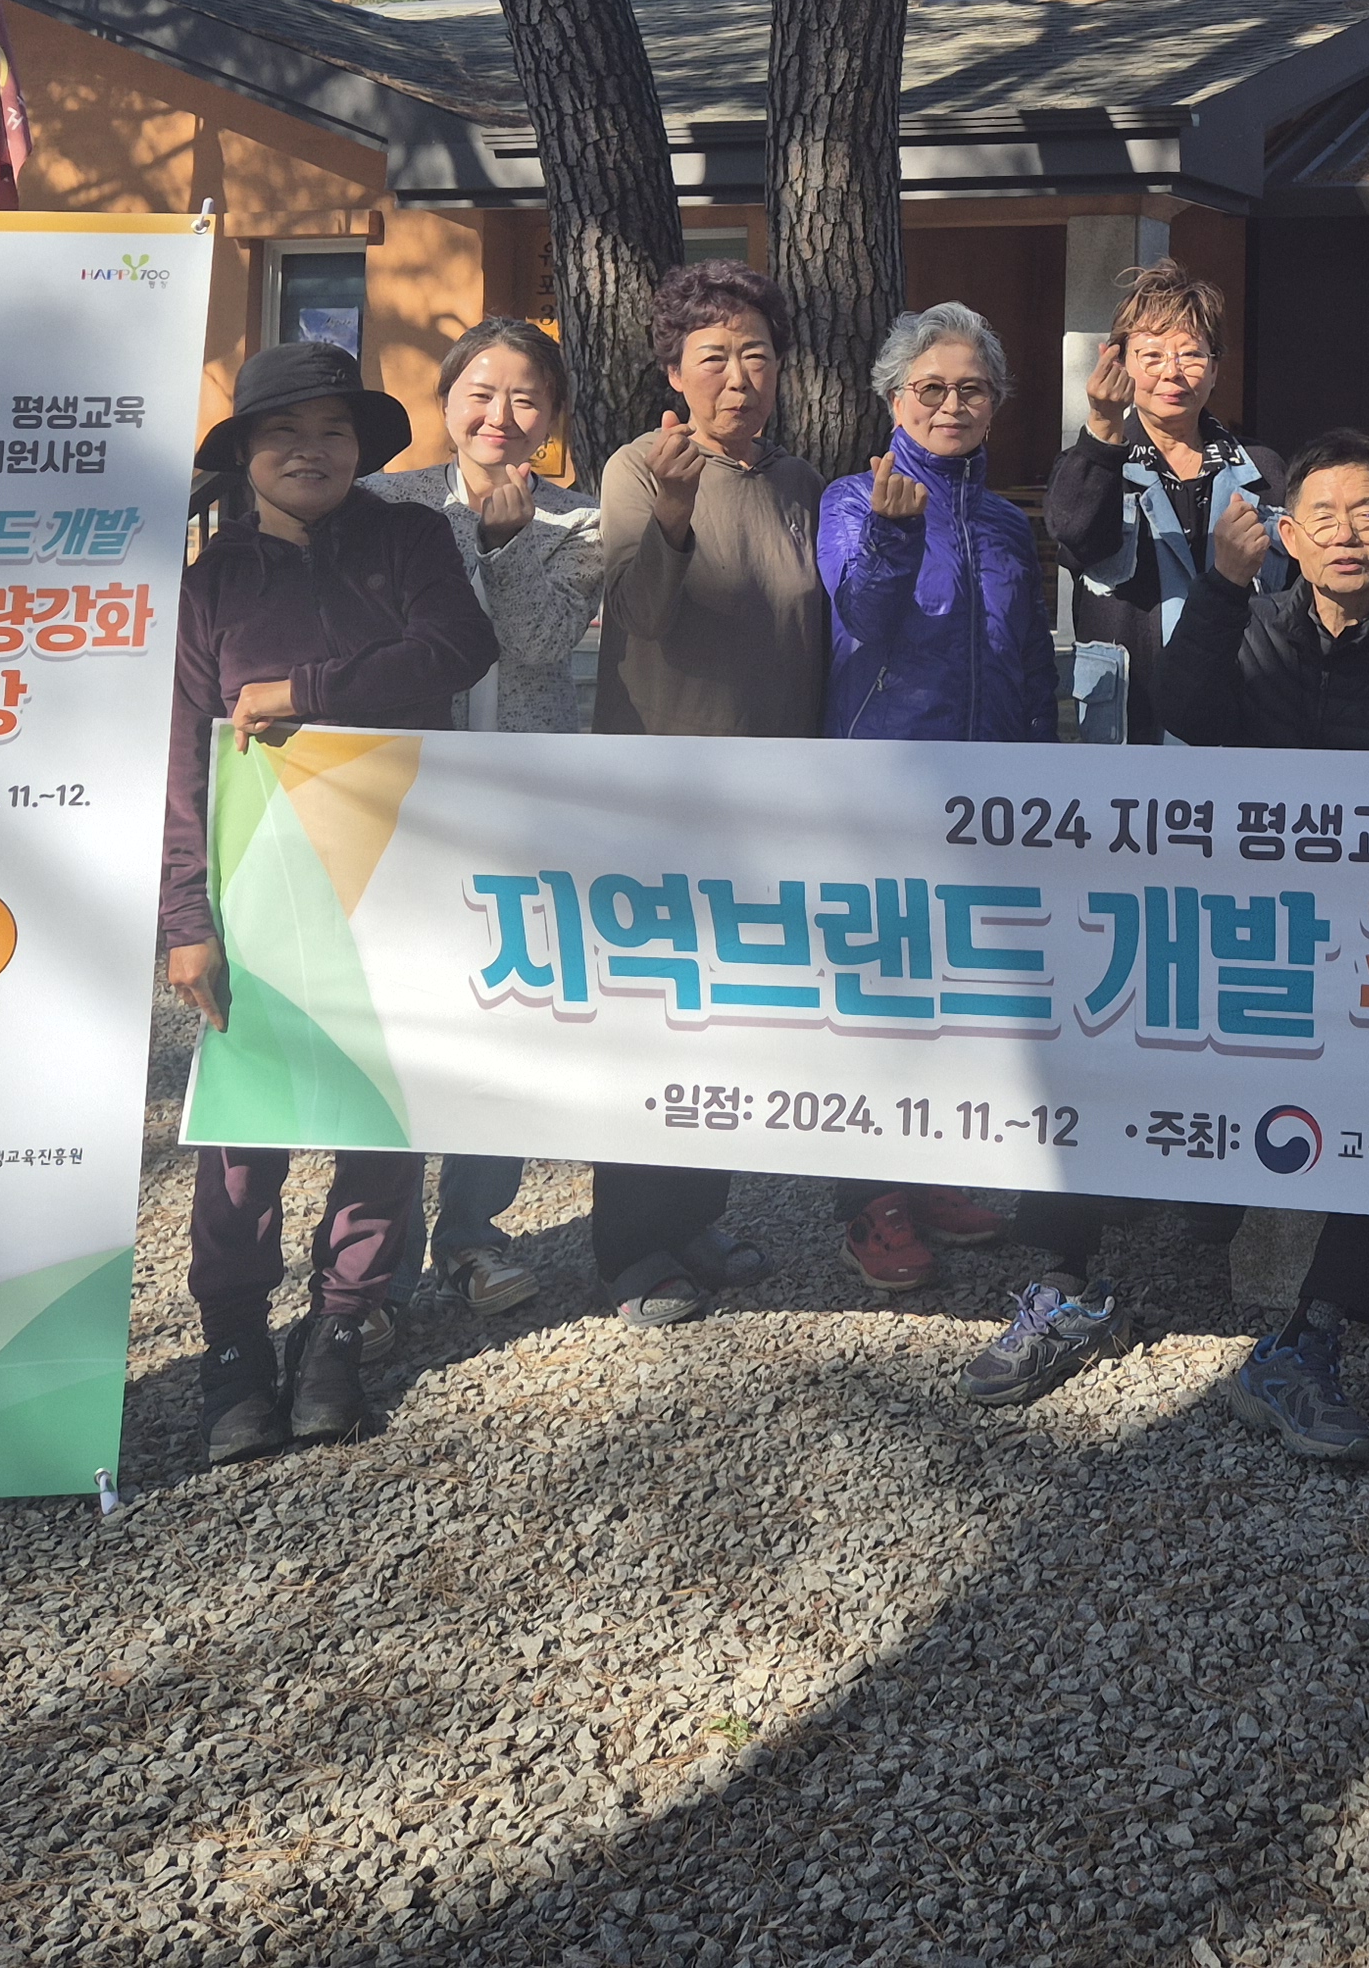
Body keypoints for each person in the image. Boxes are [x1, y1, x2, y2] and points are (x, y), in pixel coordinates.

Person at [962, 429, 1369, 1459]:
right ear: (1290, 537)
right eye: (1323, 517)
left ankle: (1308, 1341)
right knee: (1103, 1026)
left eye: (1367, 514)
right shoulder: (1252, 629)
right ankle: (1066, 1284)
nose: (1346, 535)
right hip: (1244, 946)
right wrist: (1218, 584)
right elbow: (1187, 707)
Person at [161, 342, 499, 1463]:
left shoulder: (410, 541)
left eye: (333, 432)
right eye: (284, 434)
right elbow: (180, 762)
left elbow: (459, 647)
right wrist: (186, 921)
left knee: (380, 1112)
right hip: (258, 891)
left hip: (401, 873)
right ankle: (231, 1348)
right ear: (247, 455)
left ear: (361, 448)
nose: (310, 451)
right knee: (244, 1131)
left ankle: (340, 1332)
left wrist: (303, 692)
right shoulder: (209, 586)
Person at [587, 258, 827, 1330]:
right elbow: (638, 614)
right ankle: (629, 1245)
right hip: (662, 792)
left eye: (757, 355)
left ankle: (697, 1216)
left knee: (732, 1015)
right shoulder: (639, 467)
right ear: (674, 373)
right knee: (654, 1017)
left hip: (773, 798)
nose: (739, 376)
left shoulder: (799, 482)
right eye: (714, 357)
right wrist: (675, 516)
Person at [364, 314, 603, 1321]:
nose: (501, 414)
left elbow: (541, 646)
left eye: (525, 397)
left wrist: (504, 546)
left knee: (502, 1013)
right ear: (446, 399)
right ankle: (369, 1269)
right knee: (395, 1018)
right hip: (400, 796)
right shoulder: (386, 502)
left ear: (553, 415)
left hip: (521, 800)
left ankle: (470, 1230)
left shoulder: (581, 519)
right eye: (481, 392)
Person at [815, 299, 1039, 1291]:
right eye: (931, 388)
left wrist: (1042, 776)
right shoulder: (851, 500)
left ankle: (936, 1168)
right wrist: (895, 536)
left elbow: (1028, 660)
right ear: (894, 398)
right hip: (885, 788)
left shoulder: (1005, 520)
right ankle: (871, 1200)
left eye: (972, 389)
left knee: (957, 996)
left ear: (996, 403)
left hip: (988, 793)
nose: (952, 404)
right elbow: (860, 613)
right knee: (880, 1001)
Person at [1043, 259, 1281, 744]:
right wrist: (1103, 427)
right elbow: (1074, 534)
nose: (1172, 373)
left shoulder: (1262, 470)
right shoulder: (1092, 463)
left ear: (1215, 368)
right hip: (1129, 724)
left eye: (1191, 355)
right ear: (1119, 363)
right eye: (1151, 356)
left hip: (1239, 721)